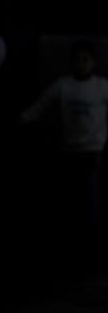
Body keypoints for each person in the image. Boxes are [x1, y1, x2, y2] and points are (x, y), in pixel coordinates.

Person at [19, 39, 108, 225]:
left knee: (91, 195)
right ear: (71, 62)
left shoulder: (102, 86)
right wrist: (21, 120)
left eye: (85, 59)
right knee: (70, 196)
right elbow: (40, 106)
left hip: (93, 151)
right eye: (77, 59)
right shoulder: (63, 85)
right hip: (67, 150)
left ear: (93, 62)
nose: (81, 64)